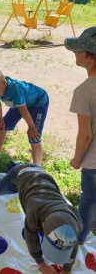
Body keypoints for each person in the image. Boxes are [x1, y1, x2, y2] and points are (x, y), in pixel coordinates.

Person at [0, 163, 83, 274]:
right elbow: (31, 239)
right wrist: (42, 265)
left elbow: (73, 245)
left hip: (39, 172)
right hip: (19, 174)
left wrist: (67, 270)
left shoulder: (75, 222)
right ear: (42, 224)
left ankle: (14, 165)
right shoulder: (34, 213)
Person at [65, 26, 96, 245]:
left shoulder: (84, 91)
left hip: (93, 162)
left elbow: (85, 135)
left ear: (92, 58)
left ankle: (80, 238)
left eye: (79, 50)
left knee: (89, 200)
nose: (75, 53)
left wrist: (77, 160)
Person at [0, 68, 49, 166]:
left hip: (38, 103)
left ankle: (37, 167)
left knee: (34, 135)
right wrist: (1, 120)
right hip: (19, 104)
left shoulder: (15, 89)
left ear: (4, 83)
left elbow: (24, 111)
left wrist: (32, 127)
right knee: (2, 127)